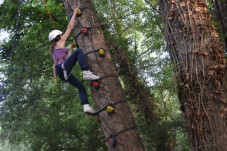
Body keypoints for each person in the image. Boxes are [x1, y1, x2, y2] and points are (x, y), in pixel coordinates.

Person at [48, 8, 99, 115]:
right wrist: (75, 13)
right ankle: (86, 72)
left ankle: (86, 106)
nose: (62, 36)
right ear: (57, 37)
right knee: (79, 51)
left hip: (63, 73)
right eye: (60, 35)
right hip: (62, 68)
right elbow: (70, 28)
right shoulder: (60, 41)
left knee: (81, 87)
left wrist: (71, 47)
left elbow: (67, 58)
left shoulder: (54, 49)